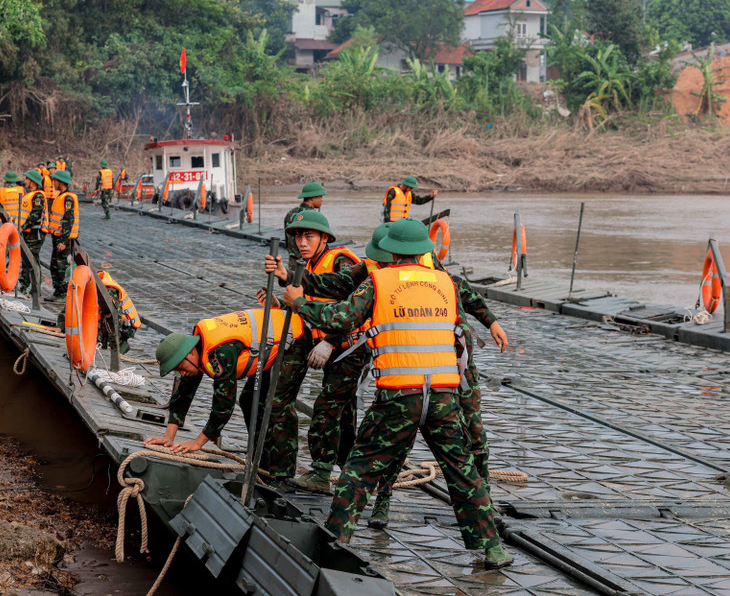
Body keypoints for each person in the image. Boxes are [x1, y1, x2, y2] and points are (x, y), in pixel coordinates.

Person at [283, 218, 514, 569]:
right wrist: (492, 322)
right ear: (424, 252)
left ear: (390, 252)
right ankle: (493, 549)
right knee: (462, 470)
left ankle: (334, 541)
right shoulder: (446, 283)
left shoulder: (378, 282)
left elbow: (341, 318)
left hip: (398, 396)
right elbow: (462, 327)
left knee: (360, 469)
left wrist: (299, 303)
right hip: (444, 395)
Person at [145, 308, 309, 482]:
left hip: (293, 339)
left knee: (277, 406)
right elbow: (184, 393)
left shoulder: (220, 352)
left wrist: (198, 443)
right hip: (266, 344)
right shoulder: (197, 348)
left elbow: (224, 405)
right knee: (249, 400)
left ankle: (283, 475)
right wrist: (168, 437)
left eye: (180, 367)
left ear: (190, 353)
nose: (181, 373)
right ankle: (263, 464)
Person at [274, 211, 364, 493]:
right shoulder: (307, 262)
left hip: (349, 345)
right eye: (298, 237)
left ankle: (326, 473)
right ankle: (347, 470)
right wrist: (281, 300)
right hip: (324, 342)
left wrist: (331, 342)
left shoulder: (341, 261)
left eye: (309, 236)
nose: (302, 242)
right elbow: (310, 299)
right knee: (340, 412)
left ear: (324, 238)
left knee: (329, 408)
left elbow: (356, 306)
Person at [42, 170, 79, 301]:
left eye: (55, 181)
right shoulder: (60, 196)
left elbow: (68, 220)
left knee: (62, 266)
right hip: (57, 237)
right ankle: (58, 291)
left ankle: (64, 294)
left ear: (61, 182)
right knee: (55, 266)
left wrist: (63, 240)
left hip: (64, 239)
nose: (53, 183)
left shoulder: (68, 198)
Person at [97, 270, 141, 354]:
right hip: (121, 321)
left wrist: (114, 343)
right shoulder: (98, 283)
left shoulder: (107, 291)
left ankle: (119, 347)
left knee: (107, 325)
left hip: (127, 325)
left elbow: (115, 318)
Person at [283, 182, 326, 262]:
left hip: (293, 261)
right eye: (320, 196)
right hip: (308, 262)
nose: (322, 200)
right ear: (312, 197)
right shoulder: (313, 216)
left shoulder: (290, 213)